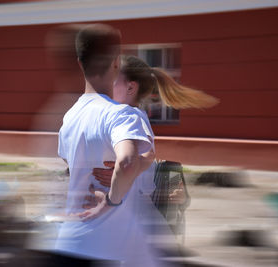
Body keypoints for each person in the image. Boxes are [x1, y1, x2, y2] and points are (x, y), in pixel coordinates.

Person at [51, 24, 161, 267]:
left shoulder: (69, 118)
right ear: (116, 62)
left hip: (68, 242)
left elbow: (72, 166)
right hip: (104, 248)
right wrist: (110, 200)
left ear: (80, 63)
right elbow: (128, 162)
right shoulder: (121, 115)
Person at [88, 54, 218, 253]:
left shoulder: (131, 117)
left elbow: (141, 159)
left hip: (129, 215)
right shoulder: (115, 117)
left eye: (111, 79)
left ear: (131, 88)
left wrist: (125, 168)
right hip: (119, 212)